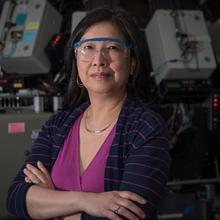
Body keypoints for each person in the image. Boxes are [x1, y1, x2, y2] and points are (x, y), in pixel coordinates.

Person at [7, 7, 170, 220]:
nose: (99, 60)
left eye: (112, 48)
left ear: (132, 64)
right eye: (88, 48)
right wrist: (85, 201)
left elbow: (129, 215)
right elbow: (16, 198)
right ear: (76, 61)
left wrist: (53, 206)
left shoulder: (146, 127)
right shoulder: (57, 126)